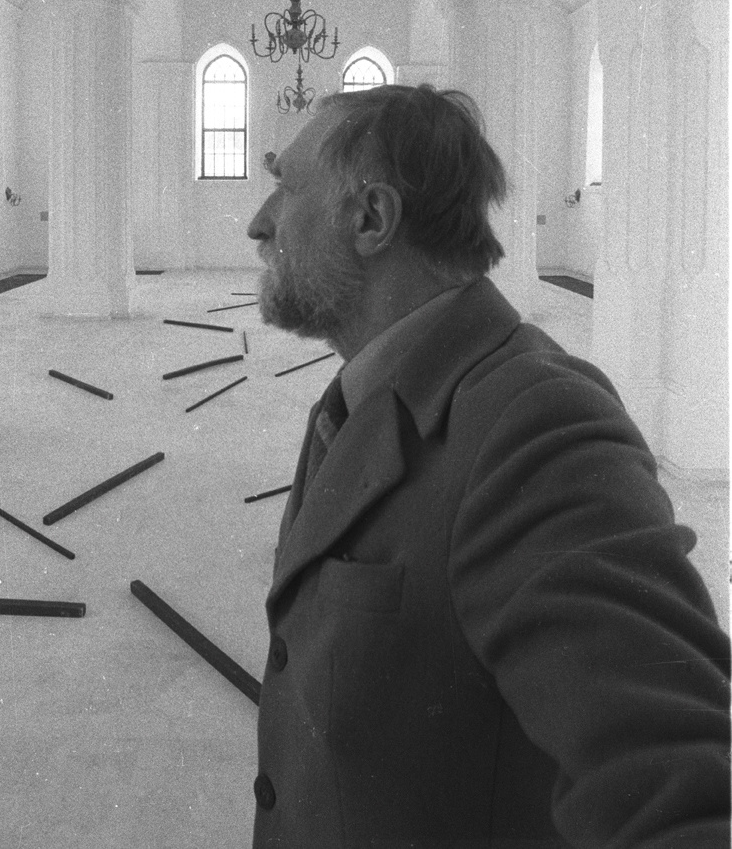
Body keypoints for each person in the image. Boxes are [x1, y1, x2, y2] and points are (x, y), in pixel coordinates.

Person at [245, 83, 730, 849]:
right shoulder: (360, 396)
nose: (259, 222)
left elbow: (685, 783)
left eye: (286, 187)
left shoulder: (539, 428)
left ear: (371, 219)